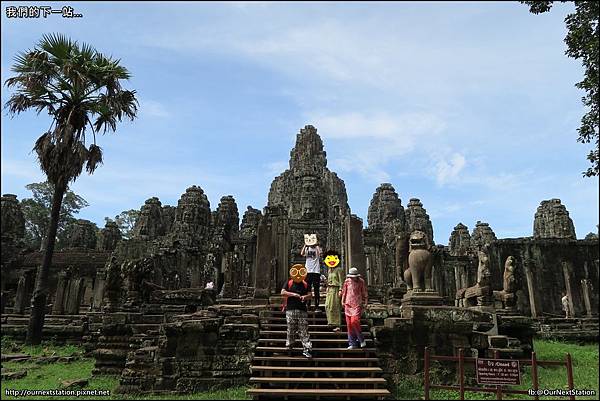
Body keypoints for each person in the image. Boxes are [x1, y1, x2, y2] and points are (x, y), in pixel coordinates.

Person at [281, 264, 313, 358]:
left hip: (302, 309)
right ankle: (289, 345)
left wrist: (304, 297)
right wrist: (294, 294)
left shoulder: (305, 283)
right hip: (290, 309)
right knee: (291, 328)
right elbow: (283, 292)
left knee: (303, 329)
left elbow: (310, 294)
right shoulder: (289, 282)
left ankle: (307, 348)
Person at [341, 267, 368, 349]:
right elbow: (344, 292)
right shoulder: (347, 281)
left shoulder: (361, 281)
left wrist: (366, 302)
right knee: (349, 324)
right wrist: (342, 301)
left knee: (354, 321)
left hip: (357, 304)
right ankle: (352, 343)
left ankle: (361, 339)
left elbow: (364, 292)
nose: (353, 278)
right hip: (348, 304)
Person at [301, 235, 323, 312]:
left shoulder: (317, 248)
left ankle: (317, 306)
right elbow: (302, 253)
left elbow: (320, 253)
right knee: (308, 289)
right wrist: (305, 244)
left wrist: (316, 244)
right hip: (308, 271)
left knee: (316, 290)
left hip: (316, 271)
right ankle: (308, 305)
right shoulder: (307, 248)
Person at [323, 250, 343, 332]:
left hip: (336, 289)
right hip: (330, 289)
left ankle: (338, 325)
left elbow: (342, 280)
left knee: (336, 306)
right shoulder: (329, 270)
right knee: (328, 306)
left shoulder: (339, 270)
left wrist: (341, 290)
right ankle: (331, 322)